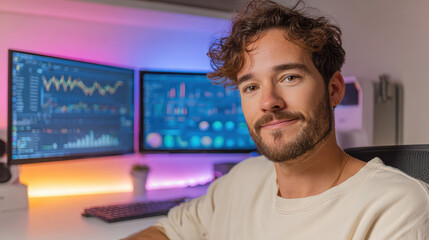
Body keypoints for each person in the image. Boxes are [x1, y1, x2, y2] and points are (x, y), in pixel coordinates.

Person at [125, 0, 429, 239]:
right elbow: (168, 231)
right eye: (251, 87)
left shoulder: (395, 206)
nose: (269, 102)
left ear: (334, 89)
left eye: (290, 77)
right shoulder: (242, 180)